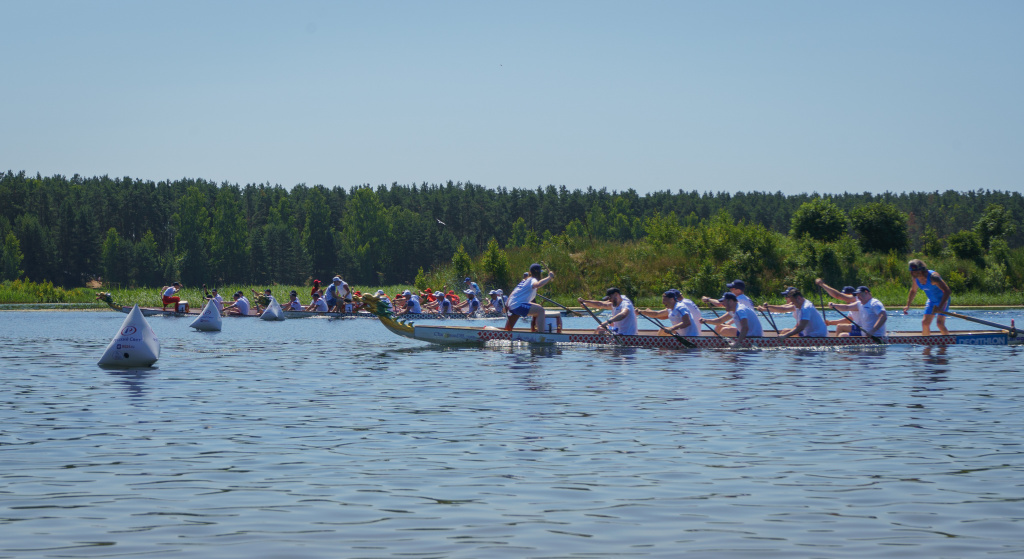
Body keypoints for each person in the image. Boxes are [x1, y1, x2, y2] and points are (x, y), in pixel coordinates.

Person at [904, 259, 952, 335]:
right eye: (911, 271)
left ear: (921, 270)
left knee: (939, 324)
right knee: (925, 323)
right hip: (931, 301)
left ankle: (946, 344)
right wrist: (908, 305)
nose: (912, 273)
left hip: (943, 300)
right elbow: (913, 291)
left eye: (914, 271)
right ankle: (927, 346)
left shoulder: (933, 277)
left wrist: (940, 306)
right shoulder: (915, 279)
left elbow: (947, 291)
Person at [504, 263, 556, 331]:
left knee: (536, 307)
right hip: (517, 305)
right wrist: (549, 277)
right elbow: (537, 284)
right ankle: (541, 335)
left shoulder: (524, 280)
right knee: (540, 310)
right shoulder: (532, 279)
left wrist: (506, 305)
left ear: (530, 272)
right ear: (539, 274)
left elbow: (513, 293)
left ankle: (507, 331)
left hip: (512, 305)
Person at [760, 287, 828, 338]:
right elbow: (784, 309)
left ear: (798, 298)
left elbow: (801, 327)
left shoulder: (806, 308)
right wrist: (768, 307)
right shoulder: (799, 305)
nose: (793, 304)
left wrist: (785, 336)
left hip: (818, 336)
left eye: (793, 302)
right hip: (810, 336)